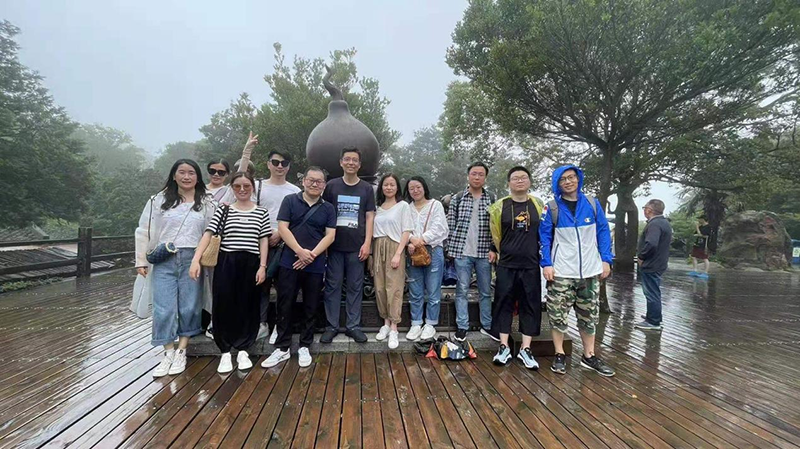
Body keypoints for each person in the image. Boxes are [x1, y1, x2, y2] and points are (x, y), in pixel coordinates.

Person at [132, 159, 215, 378]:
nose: (187, 177)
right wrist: (141, 260)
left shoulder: (206, 202)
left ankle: (182, 350)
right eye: (182, 172)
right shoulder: (158, 200)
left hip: (193, 259)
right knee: (164, 308)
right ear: (174, 175)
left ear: (198, 177)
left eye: (191, 173)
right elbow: (143, 230)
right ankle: (167, 351)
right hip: (164, 258)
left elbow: (212, 231)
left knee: (189, 306)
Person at [191, 172, 271, 373]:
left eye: (246, 186)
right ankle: (225, 350)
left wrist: (262, 266)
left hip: (251, 262)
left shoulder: (261, 212)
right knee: (224, 303)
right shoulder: (224, 209)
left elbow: (263, 240)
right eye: (237, 186)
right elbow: (208, 234)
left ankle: (244, 348)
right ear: (232, 188)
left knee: (248, 303)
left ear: (252, 187)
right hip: (227, 261)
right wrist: (196, 259)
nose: (242, 190)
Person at [540, 164, 615, 377]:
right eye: (563, 179)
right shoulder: (552, 208)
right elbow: (544, 237)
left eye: (571, 177)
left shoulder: (592, 203)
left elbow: (603, 231)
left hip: (589, 270)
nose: (568, 182)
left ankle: (589, 356)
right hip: (562, 270)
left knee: (589, 315)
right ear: (557, 183)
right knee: (557, 315)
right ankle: (559, 354)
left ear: (578, 179)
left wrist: (606, 260)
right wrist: (546, 263)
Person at [262, 167, 336, 368]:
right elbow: (282, 228)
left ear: (324, 185)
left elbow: (330, 235)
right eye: (311, 180)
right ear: (303, 181)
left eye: (319, 181)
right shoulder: (290, 201)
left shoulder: (328, 208)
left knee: (311, 305)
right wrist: (299, 251)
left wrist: (311, 255)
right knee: (285, 303)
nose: (314, 184)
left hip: (315, 263)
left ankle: (305, 345)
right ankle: (282, 347)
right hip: (289, 260)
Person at [488, 167, 544, 368]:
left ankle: (525, 349)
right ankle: (503, 347)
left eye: (523, 177)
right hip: (506, 263)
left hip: (531, 263)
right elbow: (494, 232)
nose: (519, 181)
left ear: (529, 181)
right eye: (515, 178)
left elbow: (545, 233)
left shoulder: (538, 205)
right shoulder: (499, 206)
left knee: (531, 304)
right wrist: (493, 250)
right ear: (509, 183)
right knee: (503, 302)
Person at [320, 147, 376, 344]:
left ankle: (353, 326)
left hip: (357, 247)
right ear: (341, 162)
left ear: (359, 164)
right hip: (334, 246)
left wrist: (367, 243)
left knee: (355, 287)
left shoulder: (366, 189)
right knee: (332, 286)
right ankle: (331, 326)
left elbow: (369, 217)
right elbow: (325, 213)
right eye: (347, 159)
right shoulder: (331, 186)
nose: (351, 163)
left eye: (355, 160)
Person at [446, 162, 496, 342]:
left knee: (485, 291)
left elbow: (495, 226)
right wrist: (450, 249)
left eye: (481, 174)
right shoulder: (458, 198)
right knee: (462, 290)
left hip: (484, 252)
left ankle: (487, 325)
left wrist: (494, 248)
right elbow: (450, 224)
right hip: (462, 252)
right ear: (468, 176)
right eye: (474, 174)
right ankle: (462, 326)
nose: (477, 177)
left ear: (485, 177)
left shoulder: (491, 198)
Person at [256, 151, 301, 344]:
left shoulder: (294, 191)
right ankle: (261, 323)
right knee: (261, 285)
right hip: (259, 241)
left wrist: (280, 233)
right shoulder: (257, 187)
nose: (280, 166)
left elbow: (297, 219)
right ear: (268, 164)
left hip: (285, 244)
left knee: (284, 288)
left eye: (284, 162)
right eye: (275, 162)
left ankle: (279, 325)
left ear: (289, 166)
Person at [372, 174, 414, 349]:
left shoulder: (403, 206)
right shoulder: (378, 208)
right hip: (378, 246)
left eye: (392, 185)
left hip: (394, 246)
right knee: (380, 287)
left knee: (394, 287)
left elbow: (407, 230)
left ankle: (395, 327)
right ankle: (386, 323)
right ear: (381, 187)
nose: (389, 188)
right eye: (386, 184)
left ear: (397, 187)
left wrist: (398, 253)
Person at [405, 176, 448, 341]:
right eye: (411, 188)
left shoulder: (435, 205)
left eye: (418, 187)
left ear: (424, 188)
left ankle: (430, 323)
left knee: (433, 289)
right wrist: (411, 239)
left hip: (433, 250)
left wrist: (420, 240)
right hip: (413, 252)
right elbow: (403, 228)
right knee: (415, 289)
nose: (415, 191)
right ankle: (416, 323)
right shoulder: (406, 208)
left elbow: (440, 227)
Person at [635, 199, 673, 331]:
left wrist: (641, 256)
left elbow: (651, 243)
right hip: (660, 262)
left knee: (651, 292)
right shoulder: (664, 222)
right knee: (654, 291)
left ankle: (653, 321)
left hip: (651, 263)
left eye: (644, 208)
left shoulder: (655, 224)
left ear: (649, 210)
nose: (644, 210)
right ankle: (653, 315)